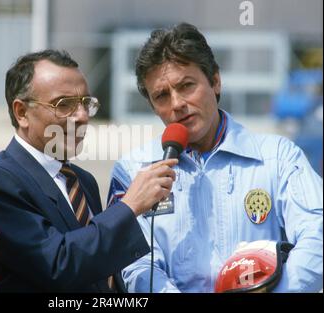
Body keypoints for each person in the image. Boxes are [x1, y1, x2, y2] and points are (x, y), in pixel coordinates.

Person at [107, 23, 323, 292]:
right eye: (162, 96)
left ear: (215, 81)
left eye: (186, 86)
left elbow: (317, 236)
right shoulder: (133, 170)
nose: (177, 104)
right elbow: (136, 265)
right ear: (152, 106)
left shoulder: (279, 157)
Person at [0, 49, 176, 292]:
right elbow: (57, 265)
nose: (82, 116)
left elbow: (97, 267)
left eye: (86, 103)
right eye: (64, 105)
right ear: (22, 112)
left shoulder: (83, 181)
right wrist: (129, 206)